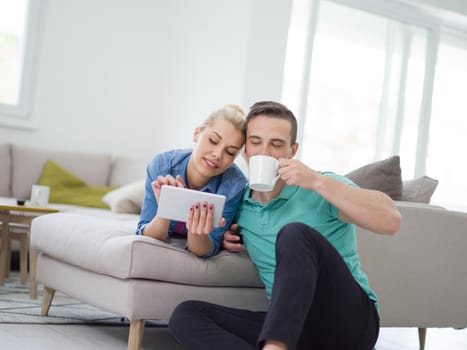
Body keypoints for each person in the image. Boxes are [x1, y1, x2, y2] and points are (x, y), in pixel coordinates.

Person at [168, 101, 402, 349]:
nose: (264, 153)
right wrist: (226, 235)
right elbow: (206, 242)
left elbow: (391, 220)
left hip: (349, 323)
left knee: (294, 232)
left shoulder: (320, 185)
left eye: (276, 144)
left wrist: (317, 181)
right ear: (245, 148)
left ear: (292, 150)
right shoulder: (240, 205)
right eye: (256, 142)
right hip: (296, 330)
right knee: (187, 315)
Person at [136, 104, 247, 258]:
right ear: (196, 134)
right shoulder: (162, 165)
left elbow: (206, 249)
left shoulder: (235, 184)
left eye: (230, 152)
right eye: (213, 141)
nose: (217, 154)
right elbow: (147, 237)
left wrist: (197, 233)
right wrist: (166, 209)